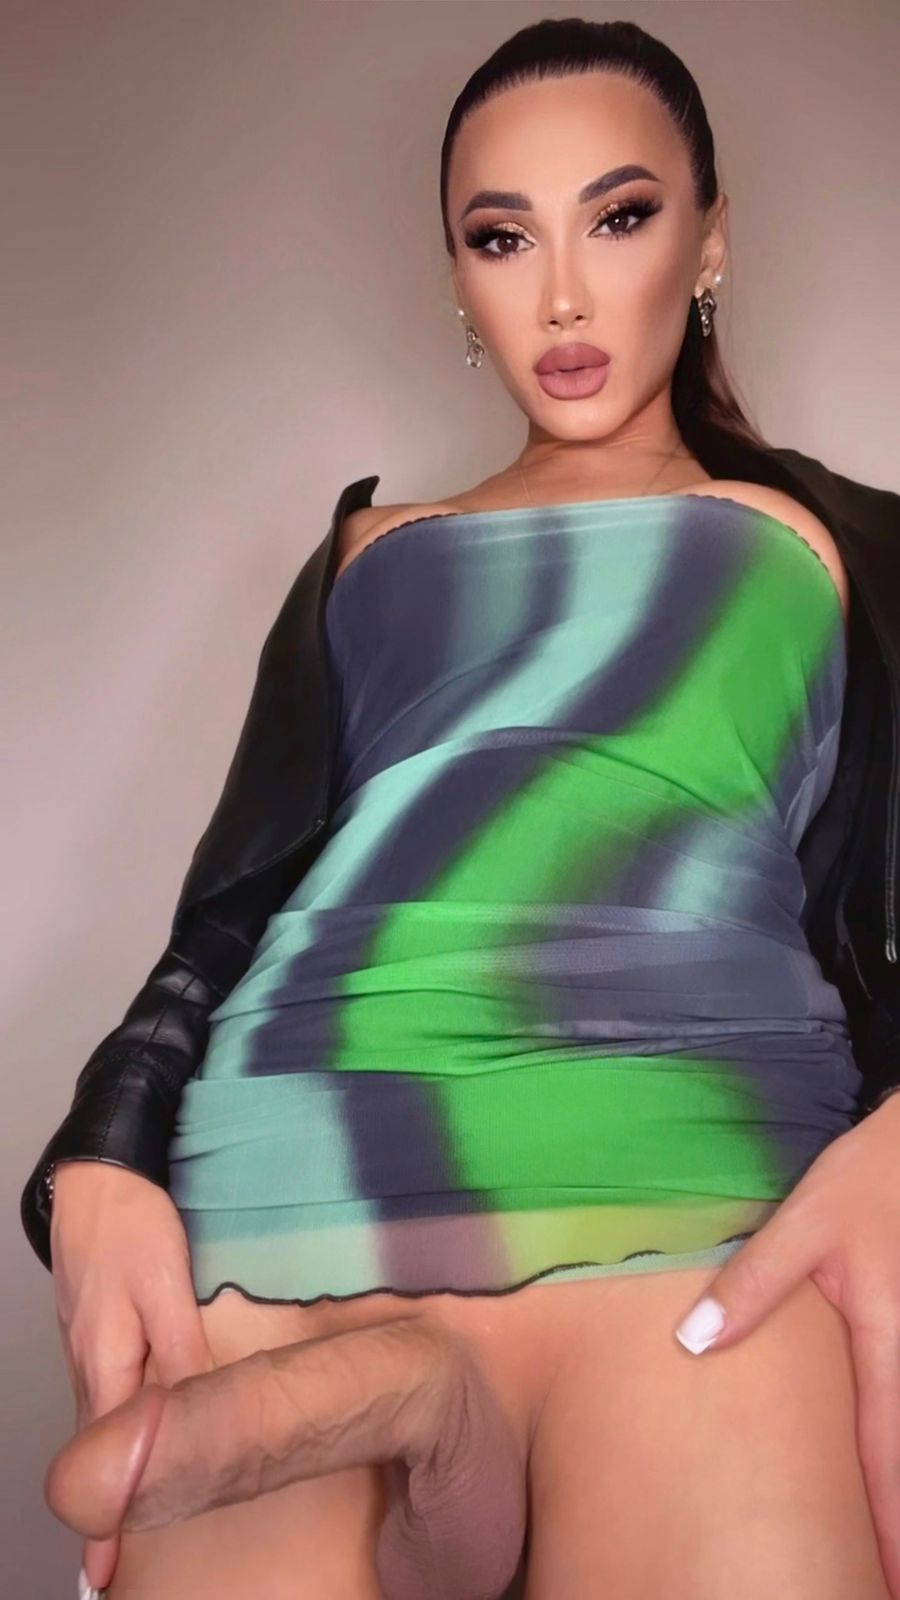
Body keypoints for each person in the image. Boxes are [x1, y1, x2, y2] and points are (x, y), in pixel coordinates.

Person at [26, 18, 900, 1600]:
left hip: (698, 1197)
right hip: (291, 1190)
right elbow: (226, 922)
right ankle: (404, 1388)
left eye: (618, 218)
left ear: (711, 241)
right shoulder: (367, 555)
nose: (560, 295)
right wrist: (99, 1162)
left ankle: (433, 1403)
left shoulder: (851, 544)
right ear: (456, 280)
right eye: (503, 238)